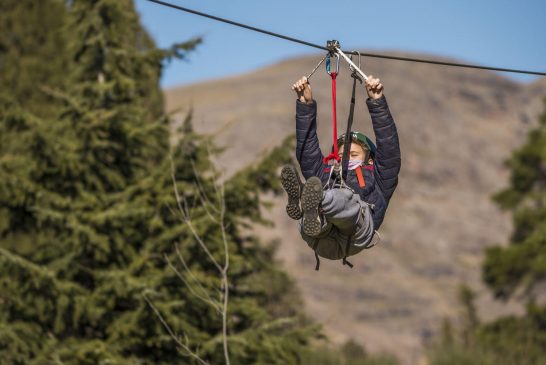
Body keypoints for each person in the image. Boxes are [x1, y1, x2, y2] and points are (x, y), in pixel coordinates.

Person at [280, 74, 401, 267]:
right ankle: (311, 210)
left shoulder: (380, 178)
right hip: (319, 238)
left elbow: (389, 149)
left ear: (370, 159)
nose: (346, 160)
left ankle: (311, 202)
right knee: (323, 192)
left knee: (345, 198)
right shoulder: (327, 172)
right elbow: (307, 151)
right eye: (342, 155)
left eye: (353, 155)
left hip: (355, 234)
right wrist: (305, 104)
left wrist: (377, 102)